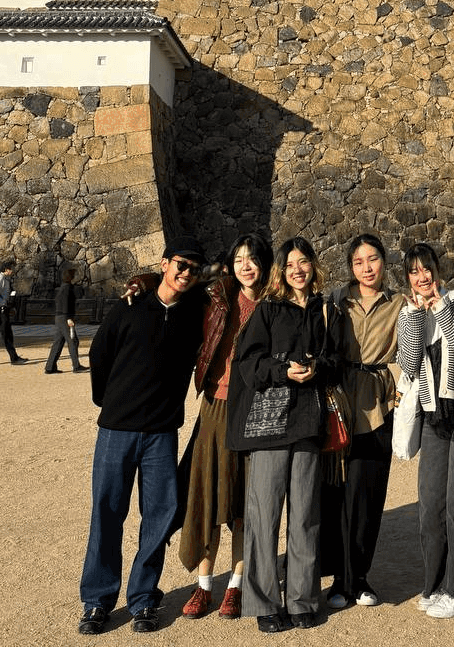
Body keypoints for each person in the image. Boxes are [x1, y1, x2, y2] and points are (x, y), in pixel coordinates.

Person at [78, 235, 208, 636]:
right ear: (165, 263)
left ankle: (144, 598)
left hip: (161, 433)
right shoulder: (128, 308)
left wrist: (145, 279)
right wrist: (110, 401)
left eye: (192, 268)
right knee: (107, 513)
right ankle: (98, 602)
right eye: (180, 265)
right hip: (117, 428)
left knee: (158, 517)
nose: (185, 273)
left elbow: (226, 289)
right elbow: (99, 355)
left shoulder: (195, 314)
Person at [227, 237, 343, 633]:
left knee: (306, 515)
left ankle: (302, 599)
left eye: (304, 262)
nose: (298, 269)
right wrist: (282, 372)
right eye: (290, 263)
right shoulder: (268, 310)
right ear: (281, 270)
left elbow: (338, 360)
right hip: (269, 425)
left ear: (313, 266)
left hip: (309, 424)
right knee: (263, 516)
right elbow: (247, 363)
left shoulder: (326, 309)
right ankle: (262, 601)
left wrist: (317, 367)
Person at [177, 233, 273, 620]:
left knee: (242, 503)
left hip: (255, 410)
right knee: (206, 496)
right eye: (238, 259)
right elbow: (176, 287)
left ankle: (235, 585)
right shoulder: (217, 296)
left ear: (264, 263)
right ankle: (204, 586)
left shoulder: (273, 303)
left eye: (252, 258)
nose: (245, 265)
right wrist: (143, 283)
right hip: (215, 406)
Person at [396, 242, 454, 620]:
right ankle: (434, 584)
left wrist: (440, 308)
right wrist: (416, 318)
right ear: (407, 277)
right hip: (434, 415)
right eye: (414, 272)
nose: (422, 277)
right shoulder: (409, 314)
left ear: (437, 268)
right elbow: (408, 362)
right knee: (431, 506)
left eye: (427, 268)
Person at [321, 233, 403, 610]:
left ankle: (361, 577)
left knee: (368, 495)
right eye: (358, 262)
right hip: (340, 401)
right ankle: (339, 577)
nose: (366, 268)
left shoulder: (400, 304)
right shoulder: (337, 302)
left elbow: (413, 350)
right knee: (337, 494)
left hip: (378, 403)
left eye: (372, 259)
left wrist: (401, 390)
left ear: (384, 262)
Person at [45, 268, 86, 373]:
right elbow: (65, 303)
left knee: (58, 343)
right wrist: (68, 318)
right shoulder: (67, 288)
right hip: (64, 317)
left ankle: (50, 367)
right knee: (73, 341)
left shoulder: (63, 288)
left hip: (59, 317)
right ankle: (76, 366)